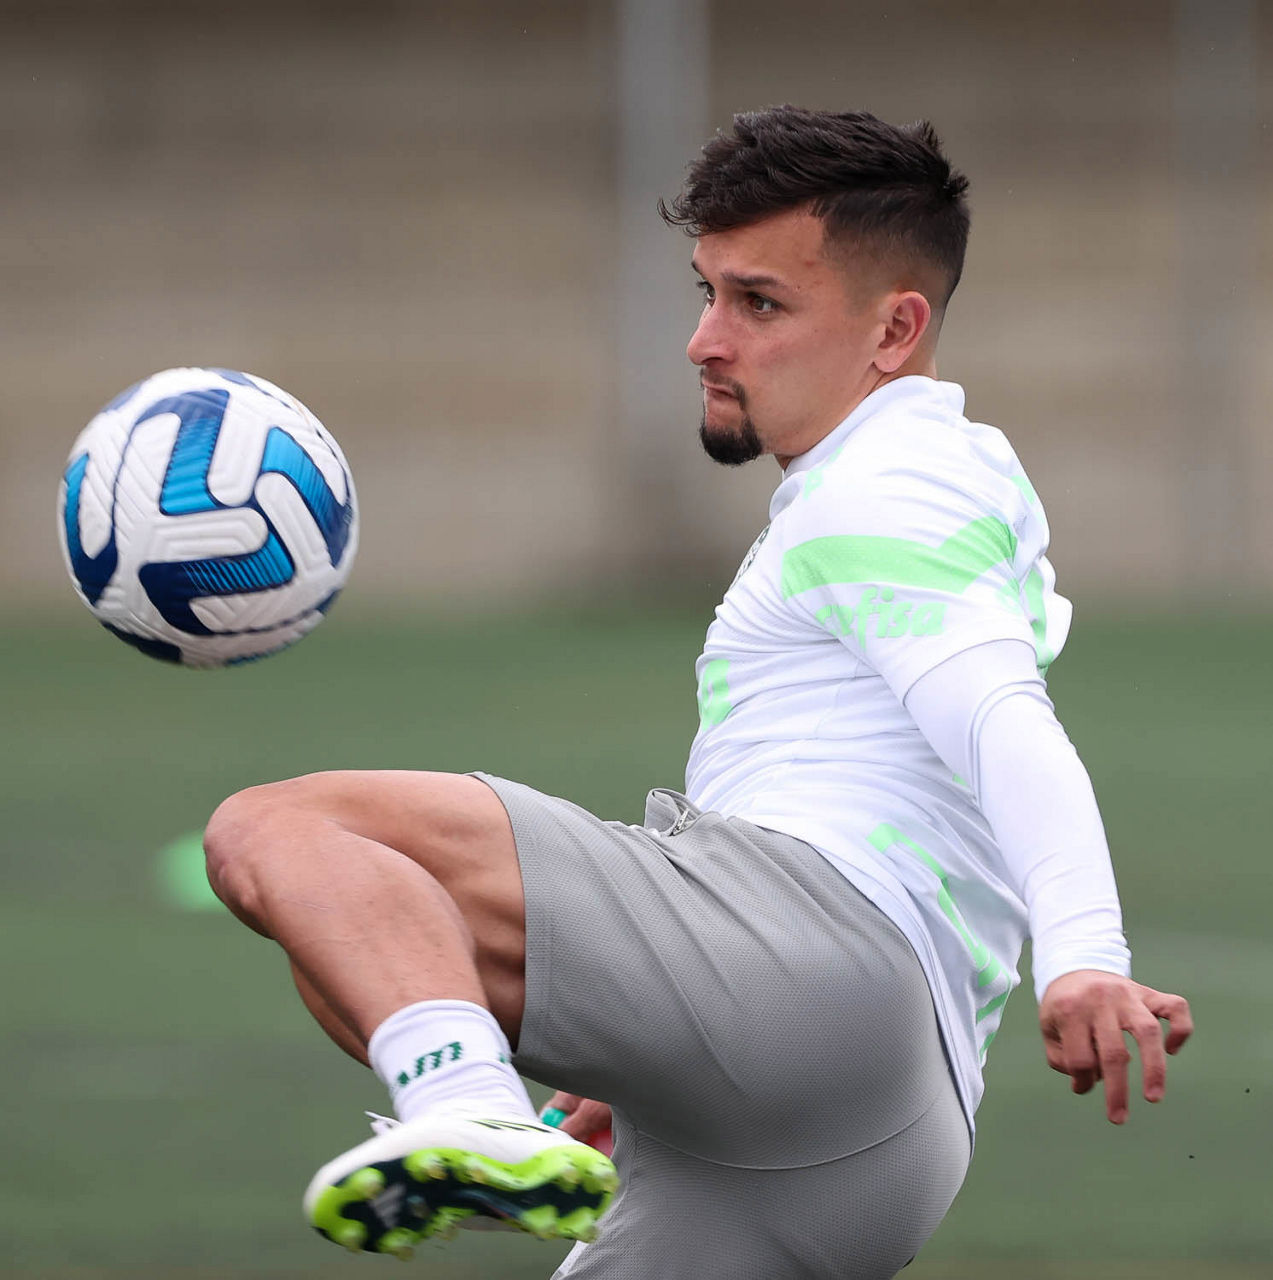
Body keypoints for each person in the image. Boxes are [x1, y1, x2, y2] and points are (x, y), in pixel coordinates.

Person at [204, 107, 1193, 1279]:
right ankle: (499, 1098)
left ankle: (471, 1108)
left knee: (284, 830)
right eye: (706, 292)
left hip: (817, 953)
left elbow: (999, 718)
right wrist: (665, 1044)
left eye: (757, 304)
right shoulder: (932, 471)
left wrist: (1085, 950)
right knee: (377, 947)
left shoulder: (889, 483)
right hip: (889, 1128)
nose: (703, 340)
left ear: (893, 329)